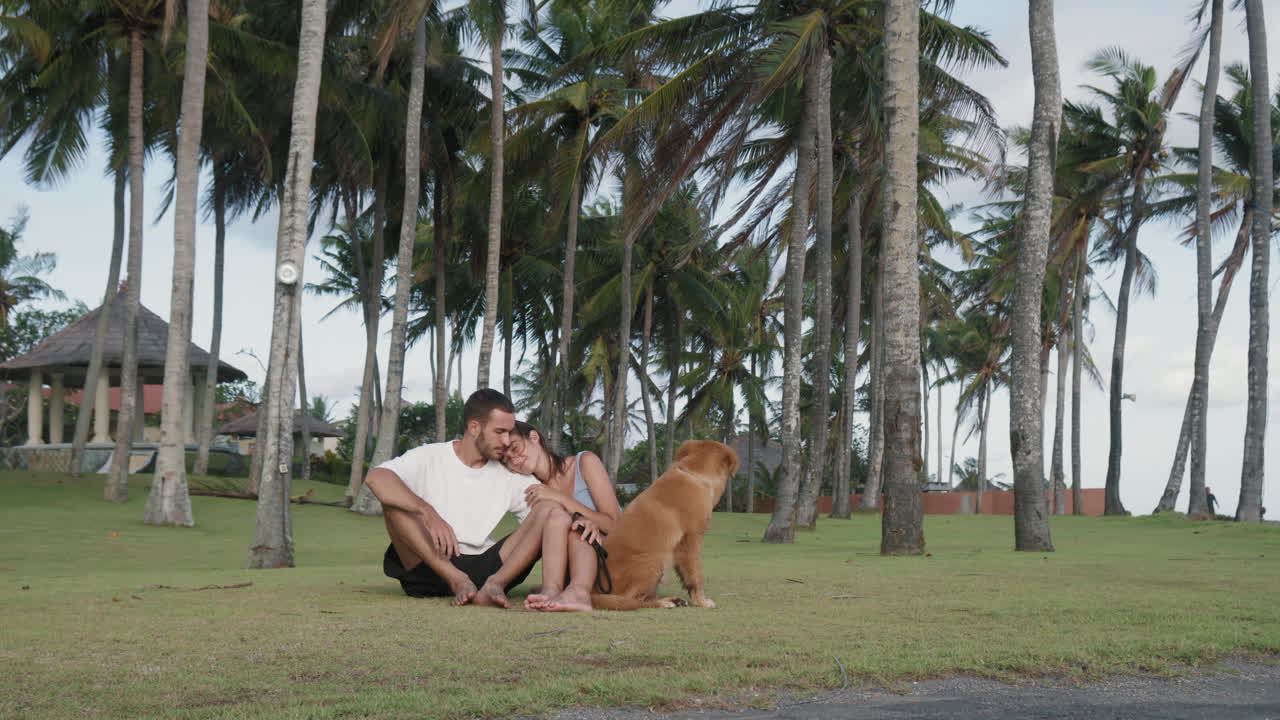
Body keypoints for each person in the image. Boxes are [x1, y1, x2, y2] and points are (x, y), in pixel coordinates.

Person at [363, 389, 565, 608]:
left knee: (549, 510)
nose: (507, 441)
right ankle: (457, 580)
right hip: (431, 565)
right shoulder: (430, 456)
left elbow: (552, 517)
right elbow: (376, 478)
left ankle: (494, 586)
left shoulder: (510, 474)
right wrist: (427, 512)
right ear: (474, 428)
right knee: (393, 502)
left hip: (488, 569)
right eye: (499, 432)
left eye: (509, 432)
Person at [502, 421, 621, 612]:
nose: (513, 460)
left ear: (534, 437)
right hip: (571, 571)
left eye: (515, 448)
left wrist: (560, 498)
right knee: (568, 527)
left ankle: (578, 594)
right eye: (505, 459)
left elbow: (615, 525)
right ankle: (557, 590)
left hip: (613, 557)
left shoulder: (584, 463)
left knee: (577, 529)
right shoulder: (532, 492)